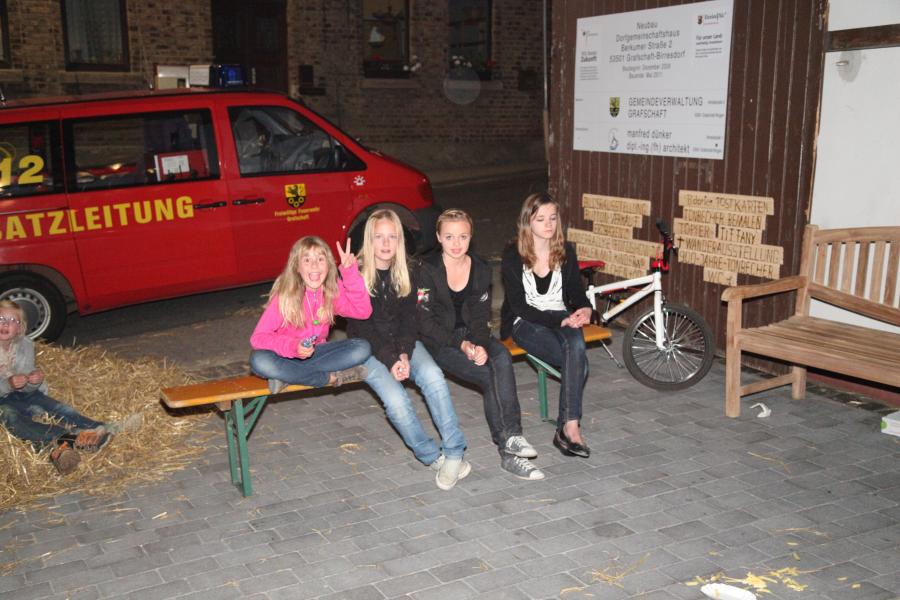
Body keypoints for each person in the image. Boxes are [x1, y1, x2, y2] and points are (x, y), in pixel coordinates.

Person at [417, 209, 544, 481]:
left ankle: (513, 438)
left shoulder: (480, 268)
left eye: (463, 236)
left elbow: (480, 316)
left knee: (501, 357)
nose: (456, 243)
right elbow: (425, 323)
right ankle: (508, 450)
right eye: (449, 237)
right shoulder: (425, 269)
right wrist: (462, 344)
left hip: (470, 334)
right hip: (439, 341)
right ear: (438, 237)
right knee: (487, 375)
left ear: (471, 236)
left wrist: (481, 343)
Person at [347, 210, 470, 490]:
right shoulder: (356, 274)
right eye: (379, 237)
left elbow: (410, 319)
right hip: (369, 349)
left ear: (400, 240)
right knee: (397, 401)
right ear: (369, 240)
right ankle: (432, 457)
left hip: (404, 343)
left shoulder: (409, 270)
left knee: (433, 377)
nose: (385, 244)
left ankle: (454, 453)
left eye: (392, 237)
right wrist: (392, 360)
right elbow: (364, 328)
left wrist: (403, 352)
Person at [0, 300, 141, 475]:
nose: (5, 324)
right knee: (11, 417)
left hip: (22, 394)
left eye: (12, 320)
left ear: (20, 328)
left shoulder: (25, 345)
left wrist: (33, 381)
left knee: (59, 409)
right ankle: (72, 438)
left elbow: (27, 383)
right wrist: (8, 384)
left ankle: (104, 428)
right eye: (1, 318)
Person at [501, 192, 593, 458]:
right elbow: (519, 306)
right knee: (580, 363)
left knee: (575, 343)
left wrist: (586, 308)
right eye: (541, 219)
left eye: (553, 218)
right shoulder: (513, 254)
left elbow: (576, 292)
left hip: (560, 316)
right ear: (527, 221)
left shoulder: (565, 251)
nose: (549, 224)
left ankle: (570, 427)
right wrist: (560, 319)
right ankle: (567, 430)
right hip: (525, 322)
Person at [250, 236, 373, 392]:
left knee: (362, 348)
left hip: (316, 355)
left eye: (320, 259)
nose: (314, 265)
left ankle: (288, 376)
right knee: (259, 361)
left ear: (329, 265)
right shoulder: (284, 297)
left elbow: (363, 312)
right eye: (307, 260)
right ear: (297, 267)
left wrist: (350, 274)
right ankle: (327, 378)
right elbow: (258, 338)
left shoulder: (331, 292)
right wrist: (294, 346)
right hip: (284, 355)